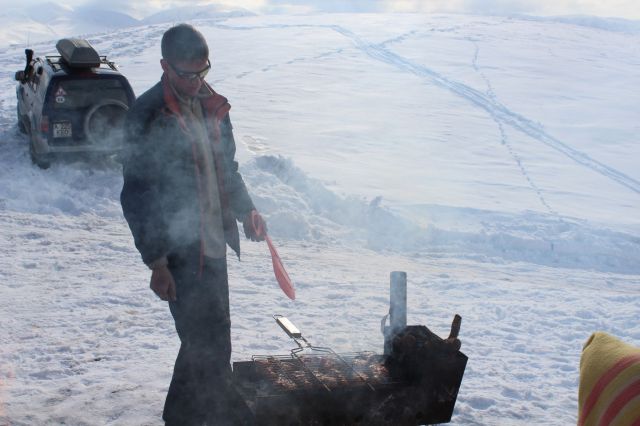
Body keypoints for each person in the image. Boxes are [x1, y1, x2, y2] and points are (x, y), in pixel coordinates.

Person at [120, 23, 266, 426]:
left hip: (213, 243)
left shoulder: (212, 104)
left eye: (203, 71)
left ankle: (184, 416)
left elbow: (228, 171)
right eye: (187, 74)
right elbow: (137, 193)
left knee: (212, 339)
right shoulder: (148, 115)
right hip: (179, 251)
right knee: (204, 342)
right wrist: (157, 263)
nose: (196, 82)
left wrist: (246, 210)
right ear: (165, 66)